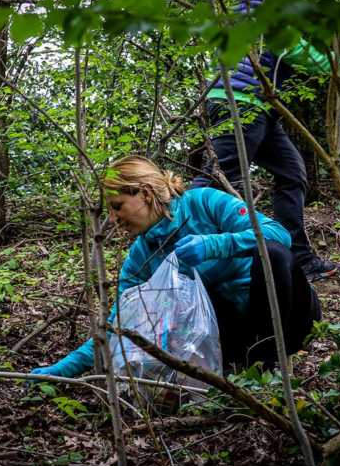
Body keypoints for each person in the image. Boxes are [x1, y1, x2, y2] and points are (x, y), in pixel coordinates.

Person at [31, 156, 320, 377]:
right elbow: (119, 326)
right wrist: (62, 370)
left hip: (290, 316)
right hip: (232, 337)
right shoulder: (140, 259)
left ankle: (271, 364)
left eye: (117, 206)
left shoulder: (203, 202)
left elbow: (278, 235)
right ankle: (249, 365)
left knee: (273, 254)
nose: (113, 218)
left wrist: (214, 245)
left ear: (144, 193)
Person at [191, 0, 340, 282]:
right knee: (218, 175)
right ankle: (171, 241)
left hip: (259, 106)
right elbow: (292, 47)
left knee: (292, 172)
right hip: (239, 102)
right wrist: (338, 64)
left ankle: (299, 259)